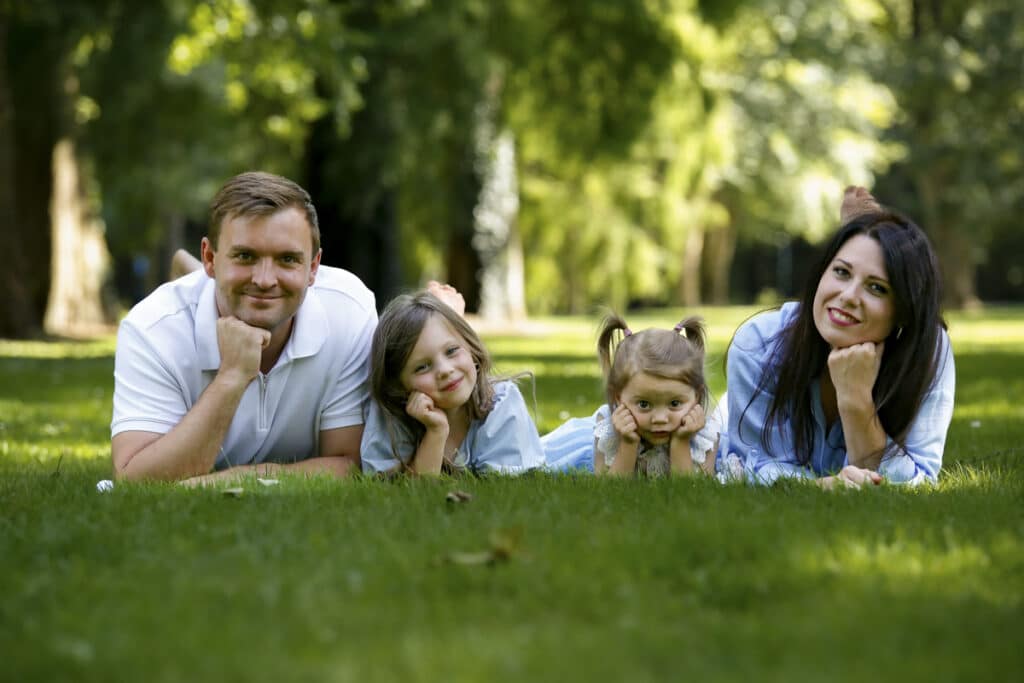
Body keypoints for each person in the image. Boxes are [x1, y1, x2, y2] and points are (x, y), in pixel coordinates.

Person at [110, 171, 376, 484]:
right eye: (245, 256)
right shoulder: (151, 328)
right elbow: (133, 479)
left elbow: (350, 463)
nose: (265, 280)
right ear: (210, 257)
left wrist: (228, 480)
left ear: (314, 267)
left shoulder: (348, 311)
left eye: (288, 259)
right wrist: (232, 377)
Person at [721, 189, 955, 488]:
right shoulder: (759, 343)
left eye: (877, 288)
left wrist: (856, 401)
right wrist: (828, 487)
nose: (847, 296)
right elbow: (754, 466)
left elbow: (920, 479)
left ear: (904, 311)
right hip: (721, 426)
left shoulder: (928, 350)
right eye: (842, 272)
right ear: (822, 273)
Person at [360, 290, 544, 476]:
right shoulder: (392, 419)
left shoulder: (501, 405)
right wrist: (436, 432)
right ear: (398, 386)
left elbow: (504, 488)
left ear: (470, 346)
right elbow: (410, 493)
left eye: (451, 351)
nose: (445, 370)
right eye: (422, 367)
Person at [542, 313, 719, 477]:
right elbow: (613, 491)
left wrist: (681, 442)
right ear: (618, 397)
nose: (659, 418)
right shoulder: (608, 431)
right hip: (584, 447)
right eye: (643, 404)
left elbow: (691, 491)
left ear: (697, 395)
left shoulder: (706, 435)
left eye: (674, 403)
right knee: (530, 457)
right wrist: (628, 444)